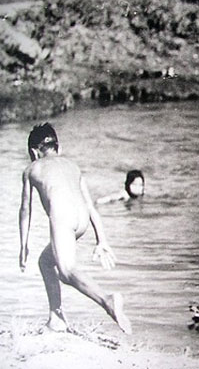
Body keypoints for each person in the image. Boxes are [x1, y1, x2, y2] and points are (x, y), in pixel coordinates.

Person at [18, 123, 132, 334]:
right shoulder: (73, 166)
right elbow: (90, 206)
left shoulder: (32, 169)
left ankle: (107, 300)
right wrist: (102, 240)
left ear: (34, 152)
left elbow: (26, 210)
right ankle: (56, 318)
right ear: (58, 149)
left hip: (62, 217)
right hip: (83, 222)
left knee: (67, 271)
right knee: (46, 261)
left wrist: (23, 245)